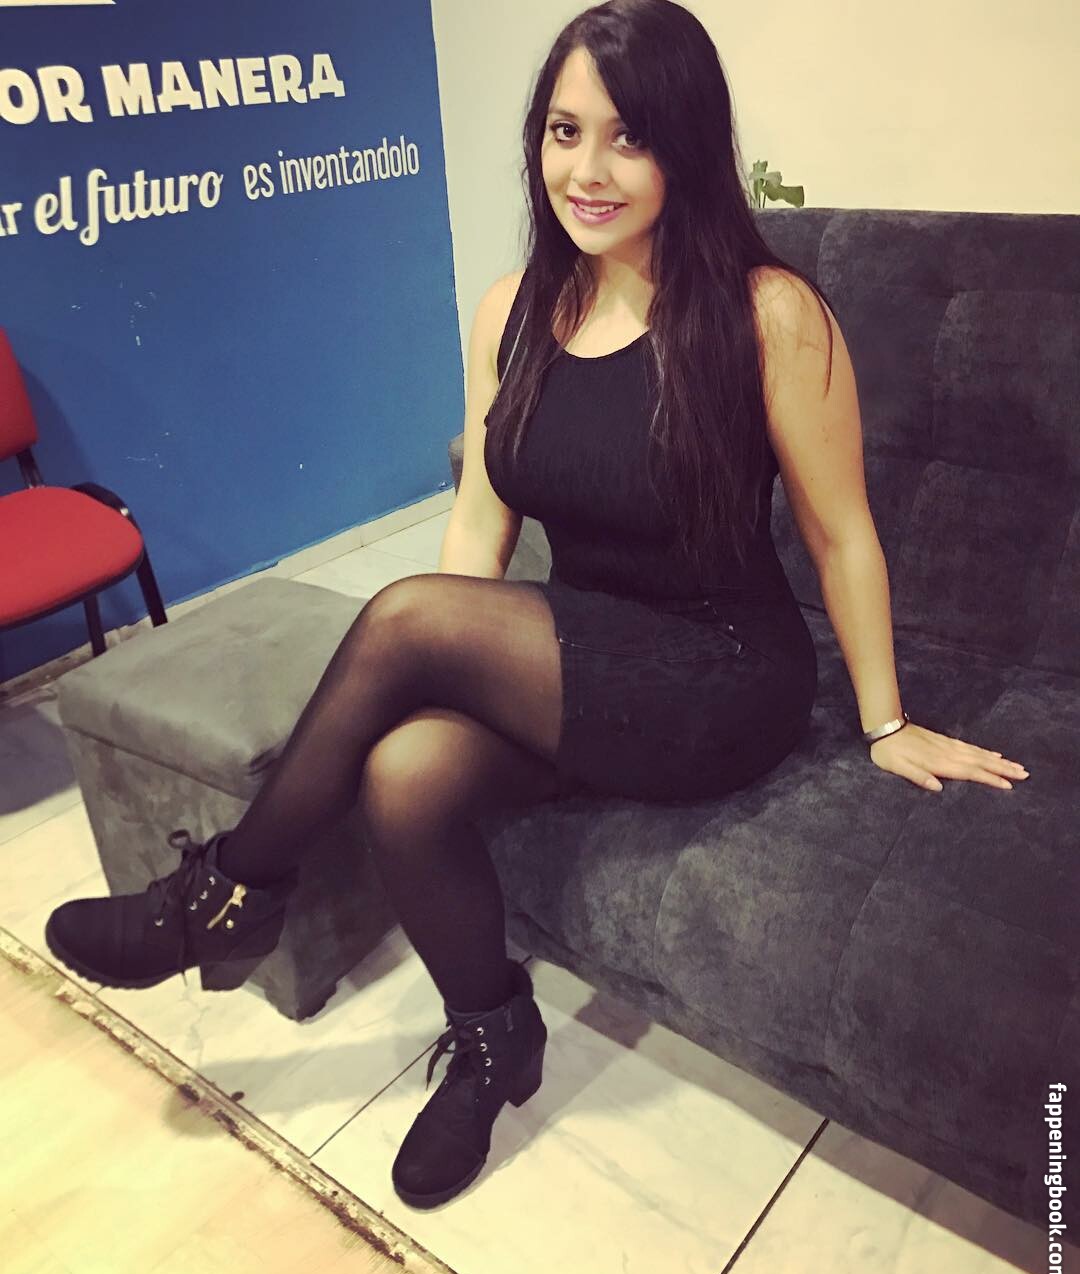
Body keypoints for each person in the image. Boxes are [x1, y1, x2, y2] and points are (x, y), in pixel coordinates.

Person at [43, 0, 1030, 1212]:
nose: (588, 170)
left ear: (685, 145)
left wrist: (886, 722)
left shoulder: (769, 315)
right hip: (581, 658)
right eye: (566, 131)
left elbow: (842, 533)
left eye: (628, 137)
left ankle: (229, 893)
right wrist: (452, 676)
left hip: (723, 675)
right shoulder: (513, 310)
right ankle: (493, 1037)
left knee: (408, 618)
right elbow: (481, 526)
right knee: (404, 770)